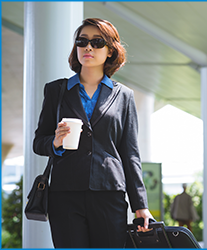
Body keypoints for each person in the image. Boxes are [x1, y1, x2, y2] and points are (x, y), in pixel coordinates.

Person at [33, 18, 153, 248]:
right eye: (82, 41)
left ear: (110, 51)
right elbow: (38, 142)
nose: (88, 47)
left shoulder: (124, 96)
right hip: (64, 194)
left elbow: (130, 154)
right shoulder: (56, 90)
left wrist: (140, 204)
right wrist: (55, 142)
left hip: (109, 194)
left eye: (97, 42)